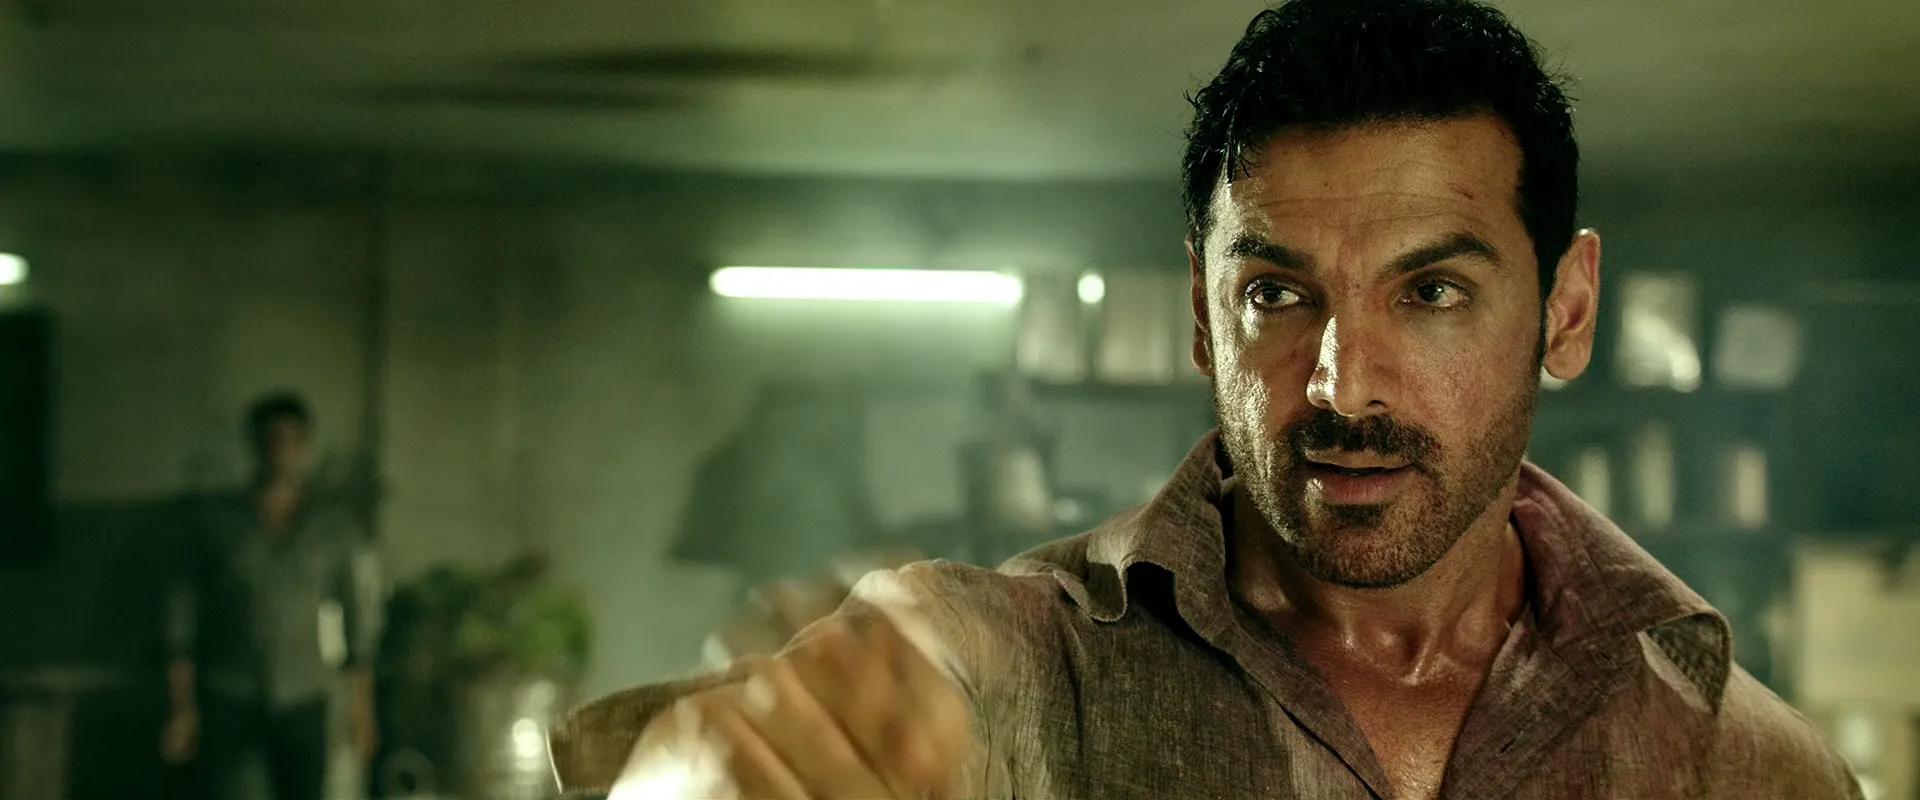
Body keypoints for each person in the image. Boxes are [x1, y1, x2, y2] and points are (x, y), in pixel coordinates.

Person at [547, 1, 1863, 797]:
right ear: (1200, 314)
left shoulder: (1745, 766)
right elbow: (761, 743)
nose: (1343, 383)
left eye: (1431, 293)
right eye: (1278, 294)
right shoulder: (1018, 670)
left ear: (1564, 313)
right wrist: (700, 767)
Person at [162, 392, 380, 800]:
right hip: (230, 692)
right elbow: (181, 620)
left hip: (303, 695)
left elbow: (357, 625)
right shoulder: (218, 525)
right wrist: (182, 708)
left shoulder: (332, 528)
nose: (280, 451)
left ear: (305, 446)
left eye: (291, 440)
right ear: (255, 445)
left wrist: (361, 710)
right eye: (271, 439)